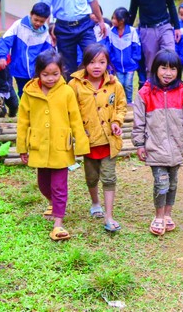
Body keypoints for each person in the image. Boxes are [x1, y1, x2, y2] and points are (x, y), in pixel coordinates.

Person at [16, 49, 90, 241]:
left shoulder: (66, 92)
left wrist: (81, 145)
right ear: (38, 73)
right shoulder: (29, 92)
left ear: (62, 72)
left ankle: (58, 223)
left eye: (55, 74)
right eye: (46, 74)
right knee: (43, 184)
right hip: (39, 146)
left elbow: (75, 118)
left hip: (60, 147)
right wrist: (22, 147)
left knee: (59, 186)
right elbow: (23, 121)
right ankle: (53, 203)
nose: (50, 78)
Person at [132, 49, 183, 236]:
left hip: (176, 147)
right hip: (155, 148)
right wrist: (140, 144)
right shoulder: (145, 93)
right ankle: (158, 216)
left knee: (173, 184)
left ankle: (168, 214)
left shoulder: (182, 93)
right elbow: (139, 121)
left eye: (173, 69)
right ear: (155, 69)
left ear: (178, 71)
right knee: (161, 183)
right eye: (163, 68)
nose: (168, 73)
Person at [69, 44, 127, 233]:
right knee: (91, 177)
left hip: (108, 140)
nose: (97, 66)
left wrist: (117, 121)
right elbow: (70, 111)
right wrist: (78, 130)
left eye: (101, 62)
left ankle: (109, 216)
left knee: (109, 178)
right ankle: (95, 203)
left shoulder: (114, 84)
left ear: (107, 64)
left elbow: (121, 105)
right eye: (92, 62)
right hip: (88, 141)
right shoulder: (75, 85)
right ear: (84, 64)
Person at [0, 2, 54, 114]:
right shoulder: (18, 25)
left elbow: (48, 52)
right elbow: (5, 41)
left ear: (46, 20)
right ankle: (26, 116)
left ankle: (37, 115)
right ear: (31, 14)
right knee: (23, 93)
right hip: (20, 69)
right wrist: (2, 56)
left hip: (37, 71)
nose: (38, 23)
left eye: (41, 21)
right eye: (36, 20)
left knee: (38, 93)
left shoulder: (45, 33)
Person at [127, 0, 180, 77]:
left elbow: (171, 4)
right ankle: (152, 91)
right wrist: (127, 30)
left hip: (164, 26)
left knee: (170, 56)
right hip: (147, 30)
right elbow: (133, 9)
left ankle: (172, 89)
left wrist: (177, 27)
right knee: (151, 64)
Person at [103, 7, 142, 104]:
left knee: (128, 84)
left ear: (122, 20)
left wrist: (134, 60)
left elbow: (136, 46)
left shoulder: (132, 31)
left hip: (130, 65)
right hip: (117, 65)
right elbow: (109, 47)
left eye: (115, 18)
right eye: (113, 18)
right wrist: (112, 60)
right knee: (120, 84)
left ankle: (129, 103)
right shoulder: (111, 32)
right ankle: (122, 103)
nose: (112, 20)